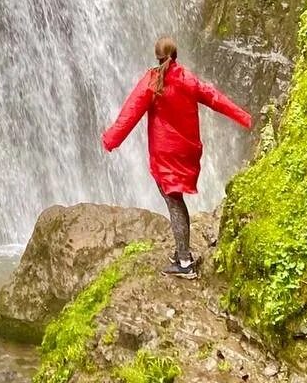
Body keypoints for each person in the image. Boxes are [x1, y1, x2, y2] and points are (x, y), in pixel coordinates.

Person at [101, 36, 251, 278]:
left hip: (165, 153)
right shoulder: (187, 79)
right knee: (175, 199)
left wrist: (110, 140)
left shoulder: (152, 81)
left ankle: (184, 262)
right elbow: (214, 98)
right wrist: (243, 116)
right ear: (175, 55)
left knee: (173, 202)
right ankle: (183, 253)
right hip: (187, 150)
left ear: (157, 56)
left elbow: (130, 113)